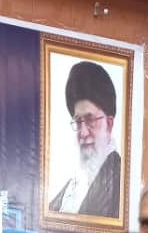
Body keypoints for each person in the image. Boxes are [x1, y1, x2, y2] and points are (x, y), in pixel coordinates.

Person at [49, 60, 122, 218]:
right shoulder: (72, 186)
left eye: (90, 120)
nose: (83, 133)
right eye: (78, 122)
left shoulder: (121, 182)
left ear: (109, 124)